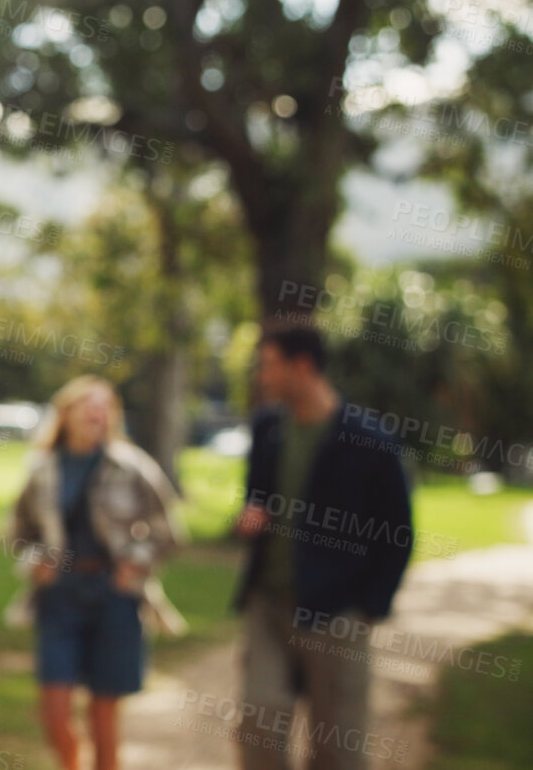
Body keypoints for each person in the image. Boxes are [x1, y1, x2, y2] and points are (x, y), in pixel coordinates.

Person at [229, 325, 412, 770]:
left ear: (302, 366)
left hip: (336, 615)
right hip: (269, 605)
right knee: (259, 719)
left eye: (270, 365)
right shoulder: (268, 427)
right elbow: (257, 495)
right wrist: (252, 515)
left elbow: (398, 533)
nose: (262, 376)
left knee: (338, 746)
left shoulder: (369, 439)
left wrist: (369, 607)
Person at [4, 375, 187, 770]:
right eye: (88, 403)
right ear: (66, 413)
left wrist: (134, 562)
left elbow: (169, 534)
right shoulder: (43, 469)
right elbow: (19, 532)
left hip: (114, 596)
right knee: (54, 716)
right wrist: (36, 560)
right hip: (60, 597)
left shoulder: (132, 466)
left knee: (104, 720)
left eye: (105, 406)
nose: (97, 412)